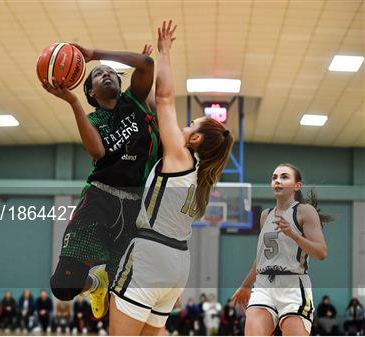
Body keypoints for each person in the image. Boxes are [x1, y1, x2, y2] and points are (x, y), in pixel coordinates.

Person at [108, 21, 234, 335]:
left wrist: (165, 53)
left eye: (191, 124)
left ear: (195, 141)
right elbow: (154, 104)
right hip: (177, 264)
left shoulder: (180, 156)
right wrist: (144, 76)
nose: (184, 126)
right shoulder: (200, 177)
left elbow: (164, 100)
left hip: (151, 256)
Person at [42, 38, 160, 320]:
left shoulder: (135, 102)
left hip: (135, 205)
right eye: (97, 73)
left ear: (120, 85)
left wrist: (94, 55)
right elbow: (97, 151)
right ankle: (94, 283)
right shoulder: (93, 120)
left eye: (110, 72)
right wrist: (72, 102)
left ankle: (102, 283)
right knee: (63, 285)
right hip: (99, 197)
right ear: (91, 93)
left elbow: (148, 64)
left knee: (120, 290)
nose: (105, 74)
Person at [232, 163, 332, 335]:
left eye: (284, 177)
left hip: (294, 286)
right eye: (274, 177)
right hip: (264, 285)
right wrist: (246, 285)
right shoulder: (266, 215)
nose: (278, 181)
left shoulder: (304, 211)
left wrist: (293, 235)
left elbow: (321, 252)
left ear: (297, 185)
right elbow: (263, 257)